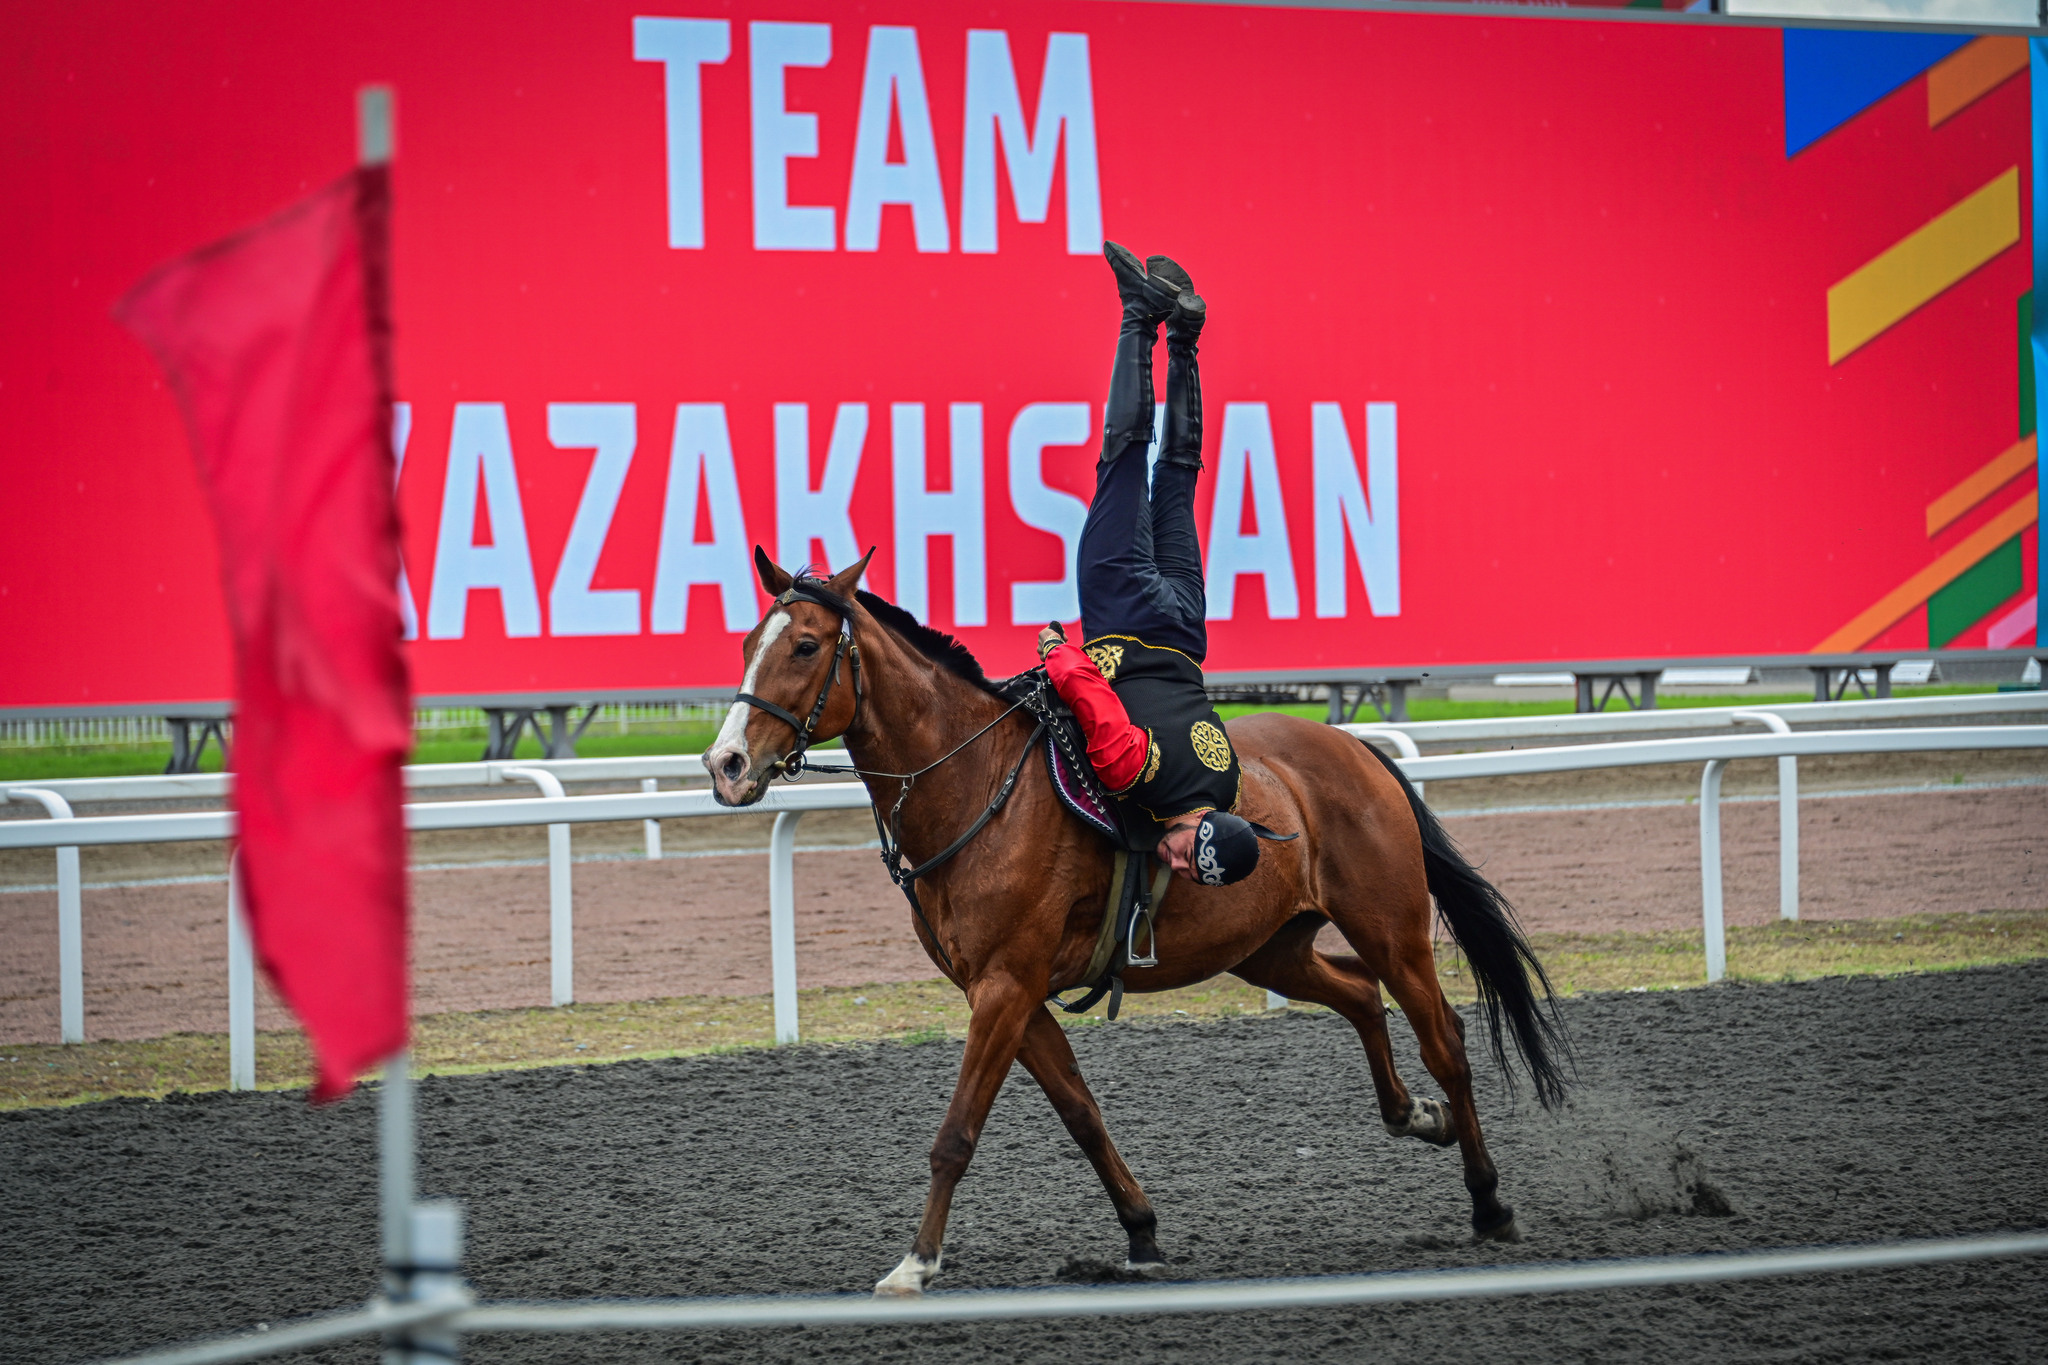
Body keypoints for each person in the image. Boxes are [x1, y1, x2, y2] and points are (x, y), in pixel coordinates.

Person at [1035, 242, 1290, 886]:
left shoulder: (1226, 782)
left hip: (1185, 628)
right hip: (1124, 616)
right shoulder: (1138, 777)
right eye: (1182, 855)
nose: (1170, 862)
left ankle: (1184, 338)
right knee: (1124, 457)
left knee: (1178, 475)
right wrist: (1056, 652)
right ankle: (1137, 317)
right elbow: (1093, 701)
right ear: (1201, 833)